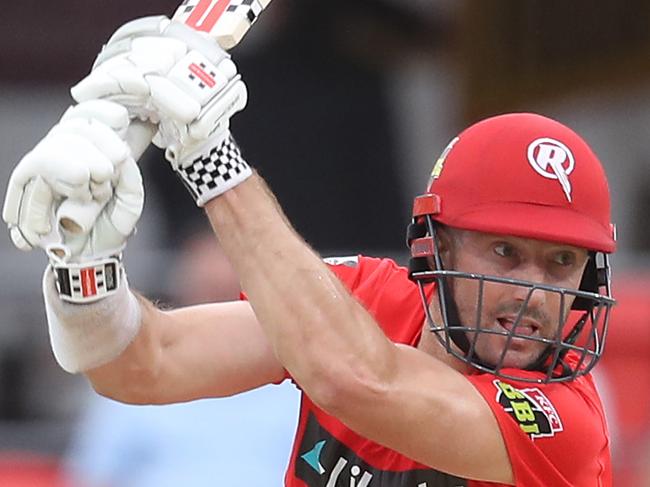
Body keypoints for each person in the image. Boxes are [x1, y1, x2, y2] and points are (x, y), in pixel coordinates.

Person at [2, 15, 617, 486]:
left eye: (562, 262)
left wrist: (211, 158)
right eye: (505, 252)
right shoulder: (362, 301)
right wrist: (85, 265)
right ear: (436, 246)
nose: (536, 290)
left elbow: (358, 381)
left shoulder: (567, 423)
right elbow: (143, 365)